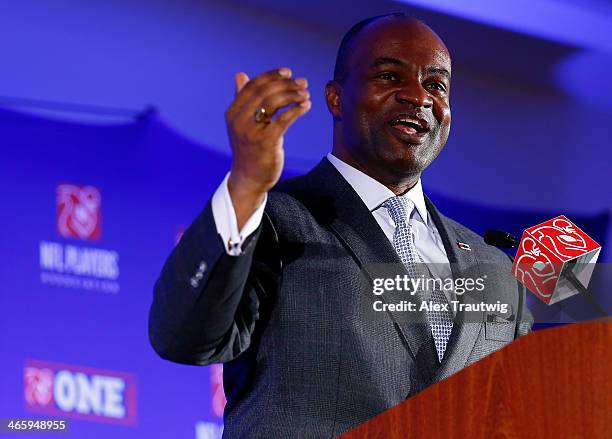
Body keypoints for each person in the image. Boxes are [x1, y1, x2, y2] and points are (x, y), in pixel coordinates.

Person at [149, 13, 533, 438]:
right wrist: (246, 186)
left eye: (436, 85)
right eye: (390, 75)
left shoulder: (493, 268)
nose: (418, 97)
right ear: (336, 99)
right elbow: (183, 335)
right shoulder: (275, 218)